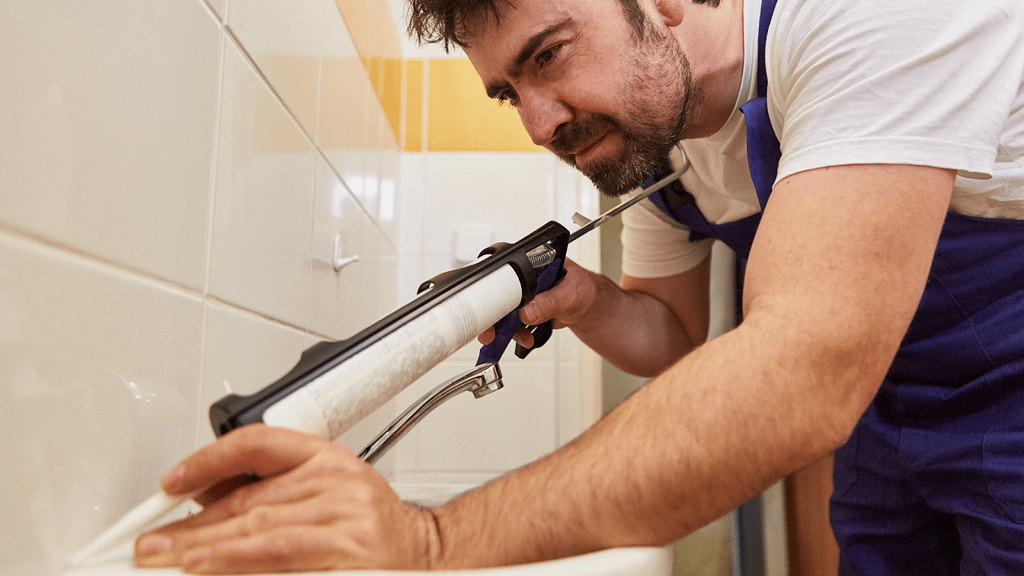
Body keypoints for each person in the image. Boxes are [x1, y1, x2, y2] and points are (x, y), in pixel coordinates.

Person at [133, 0, 1024, 573]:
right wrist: (588, 302)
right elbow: (675, 339)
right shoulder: (655, 151)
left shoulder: (868, 19)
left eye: (549, 54)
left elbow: (804, 367)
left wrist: (431, 541)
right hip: (889, 425)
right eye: (505, 93)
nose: (538, 122)